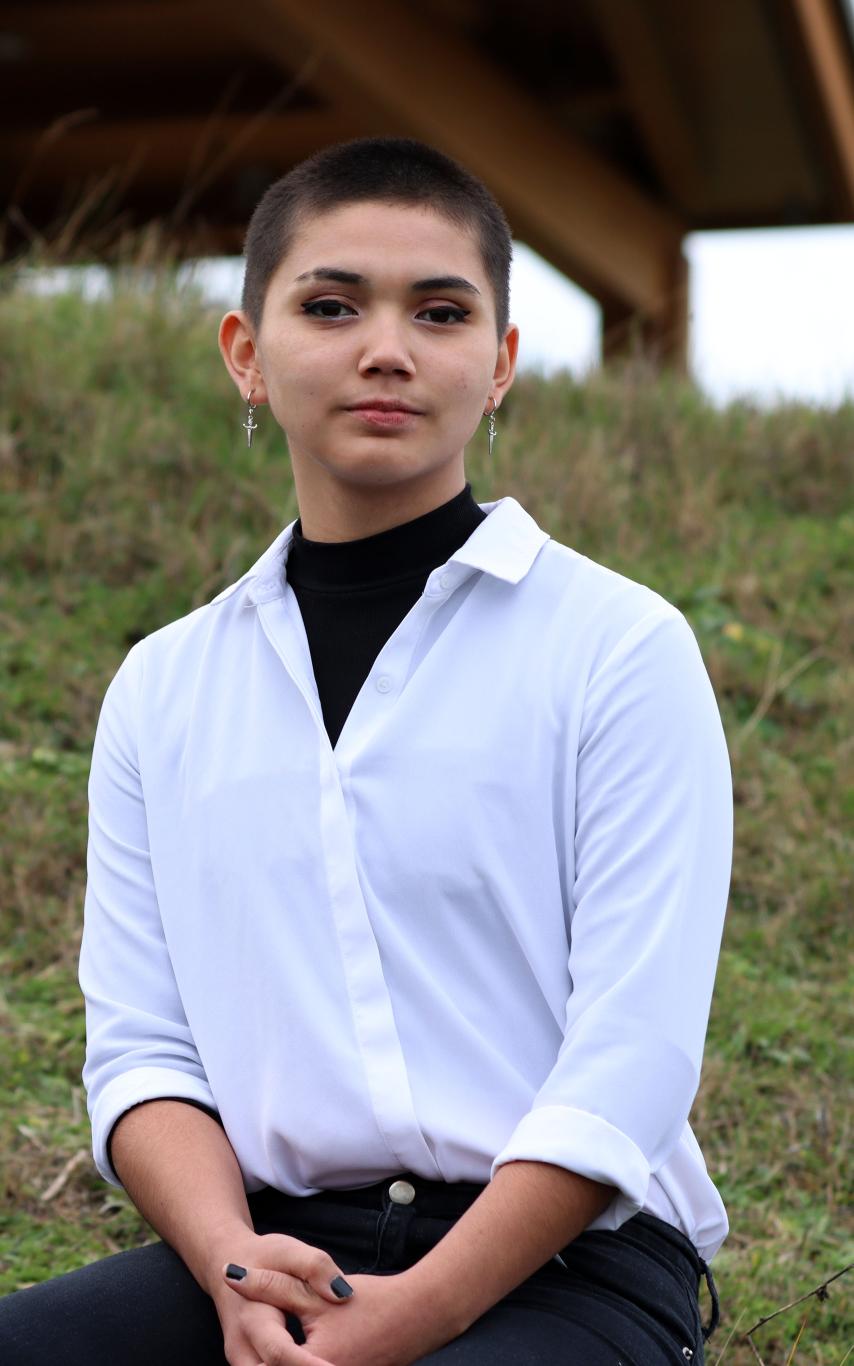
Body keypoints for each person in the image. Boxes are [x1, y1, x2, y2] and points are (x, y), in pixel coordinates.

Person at [0, 136, 732, 1365]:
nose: (385, 348)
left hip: (567, 1271)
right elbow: (143, 1051)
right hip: (267, 1251)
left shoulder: (618, 649)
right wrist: (231, 1266)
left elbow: (633, 1055)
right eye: (330, 306)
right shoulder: (164, 689)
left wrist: (420, 1309)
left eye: (439, 312)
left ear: (498, 364)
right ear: (247, 352)